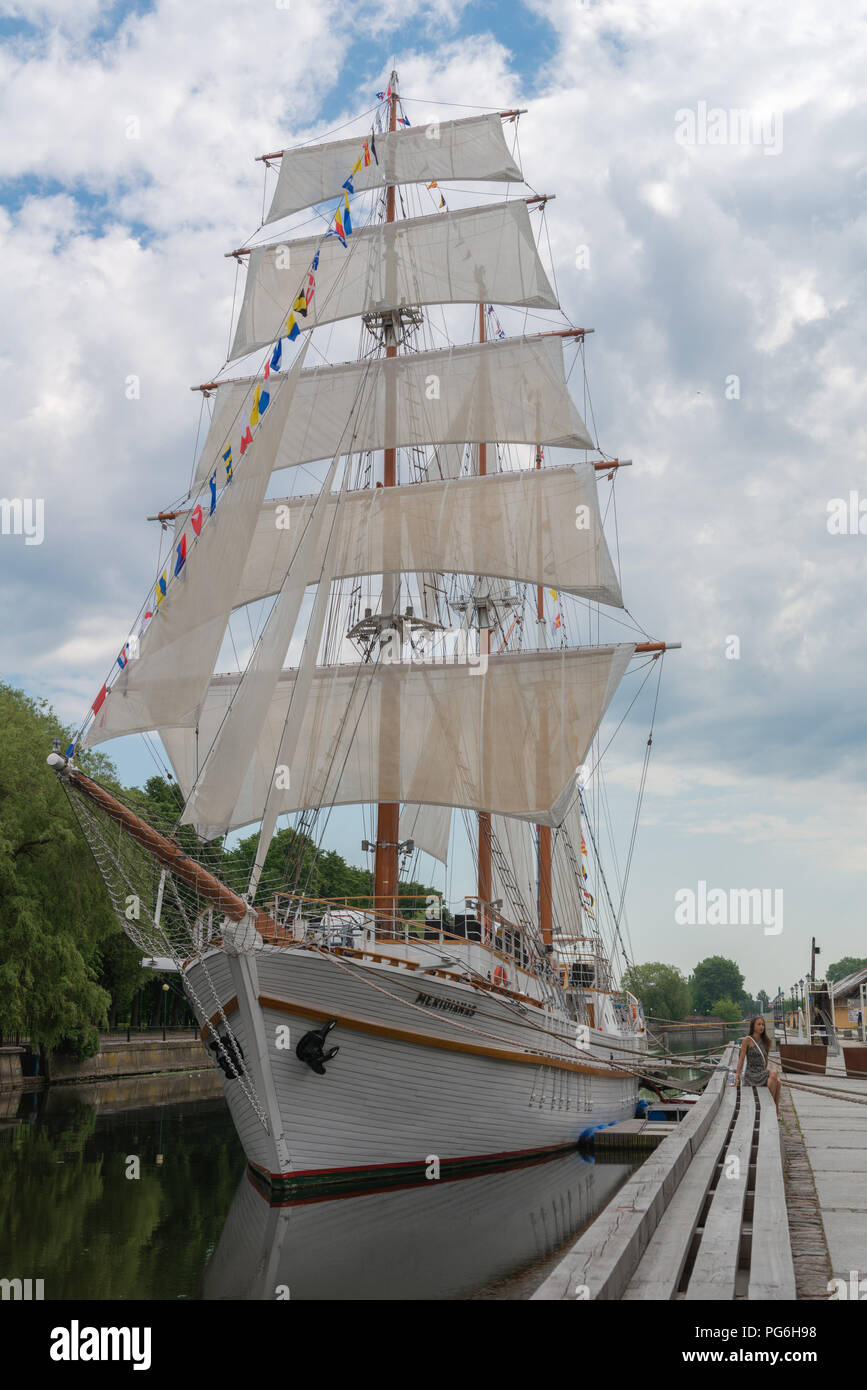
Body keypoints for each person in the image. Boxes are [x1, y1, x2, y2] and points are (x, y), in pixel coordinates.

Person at [734, 1015, 781, 1111]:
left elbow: (766, 1061)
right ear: (753, 1026)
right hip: (751, 1074)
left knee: (778, 1082)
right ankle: (769, 1107)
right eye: (759, 1024)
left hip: (761, 1073)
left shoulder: (766, 1041)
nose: (761, 1027)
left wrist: (765, 1074)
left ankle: (775, 1111)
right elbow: (741, 1060)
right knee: (774, 1074)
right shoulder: (747, 1040)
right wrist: (737, 1077)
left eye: (763, 1024)